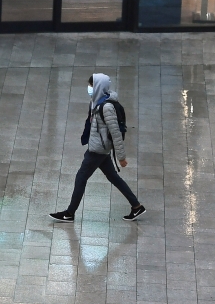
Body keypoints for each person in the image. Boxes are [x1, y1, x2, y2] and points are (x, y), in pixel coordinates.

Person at [50, 73, 145, 222]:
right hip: (99, 147)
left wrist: (121, 157)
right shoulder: (96, 102)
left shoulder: (106, 107)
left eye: (91, 86)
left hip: (98, 150)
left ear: (99, 87)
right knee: (113, 177)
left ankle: (69, 213)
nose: (89, 89)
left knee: (81, 178)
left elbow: (115, 132)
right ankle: (136, 206)